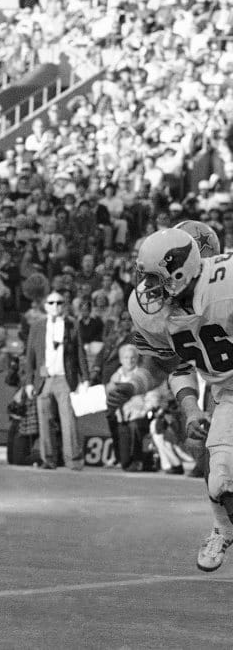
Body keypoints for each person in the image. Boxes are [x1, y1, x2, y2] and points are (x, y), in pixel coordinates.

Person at [107, 228, 233, 572]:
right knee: (221, 480)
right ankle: (223, 528)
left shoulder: (226, 285)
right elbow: (168, 362)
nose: (147, 286)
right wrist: (136, 385)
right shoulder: (152, 311)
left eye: (154, 277)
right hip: (229, 394)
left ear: (180, 271)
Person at [23, 291, 89, 470]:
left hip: (64, 378)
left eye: (59, 303)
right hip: (43, 379)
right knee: (45, 421)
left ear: (64, 305)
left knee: (69, 421)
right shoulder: (37, 326)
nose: (55, 306)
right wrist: (29, 382)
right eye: (51, 303)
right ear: (45, 306)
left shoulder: (71, 324)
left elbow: (79, 352)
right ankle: (49, 459)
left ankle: (74, 460)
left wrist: (85, 378)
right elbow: (30, 356)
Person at [107, 344, 157, 472]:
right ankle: (121, 458)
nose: (129, 361)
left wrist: (141, 410)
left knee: (135, 425)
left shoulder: (143, 375)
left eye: (132, 358)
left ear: (137, 359)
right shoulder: (115, 377)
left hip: (140, 415)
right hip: (122, 416)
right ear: (121, 360)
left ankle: (138, 460)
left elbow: (153, 398)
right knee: (114, 422)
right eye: (126, 358)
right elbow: (110, 399)